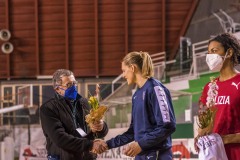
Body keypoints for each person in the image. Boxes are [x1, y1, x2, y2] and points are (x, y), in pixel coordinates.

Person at [98, 51, 176, 159]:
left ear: (132, 68)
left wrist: (141, 144)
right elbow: (133, 132)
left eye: (124, 71)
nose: (124, 75)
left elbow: (168, 125)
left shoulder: (155, 89)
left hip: (157, 155)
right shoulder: (136, 95)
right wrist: (107, 144)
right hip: (142, 155)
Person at [40, 69, 108, 160]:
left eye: (74, 83)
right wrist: (90, 145)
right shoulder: (49, 108)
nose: (73, 87)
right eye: (68, 85)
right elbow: (59, 138)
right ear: (57, 89)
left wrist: (102, 127)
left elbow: (97, 133)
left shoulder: (85, 103)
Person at [196, 33, 240, 159]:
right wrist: (200, 136)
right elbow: (205, 124)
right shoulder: (209, 87)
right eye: (208, 52)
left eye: (214, 51)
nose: (210, 56)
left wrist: (225, 139)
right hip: (214, 155)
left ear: (229, 52)